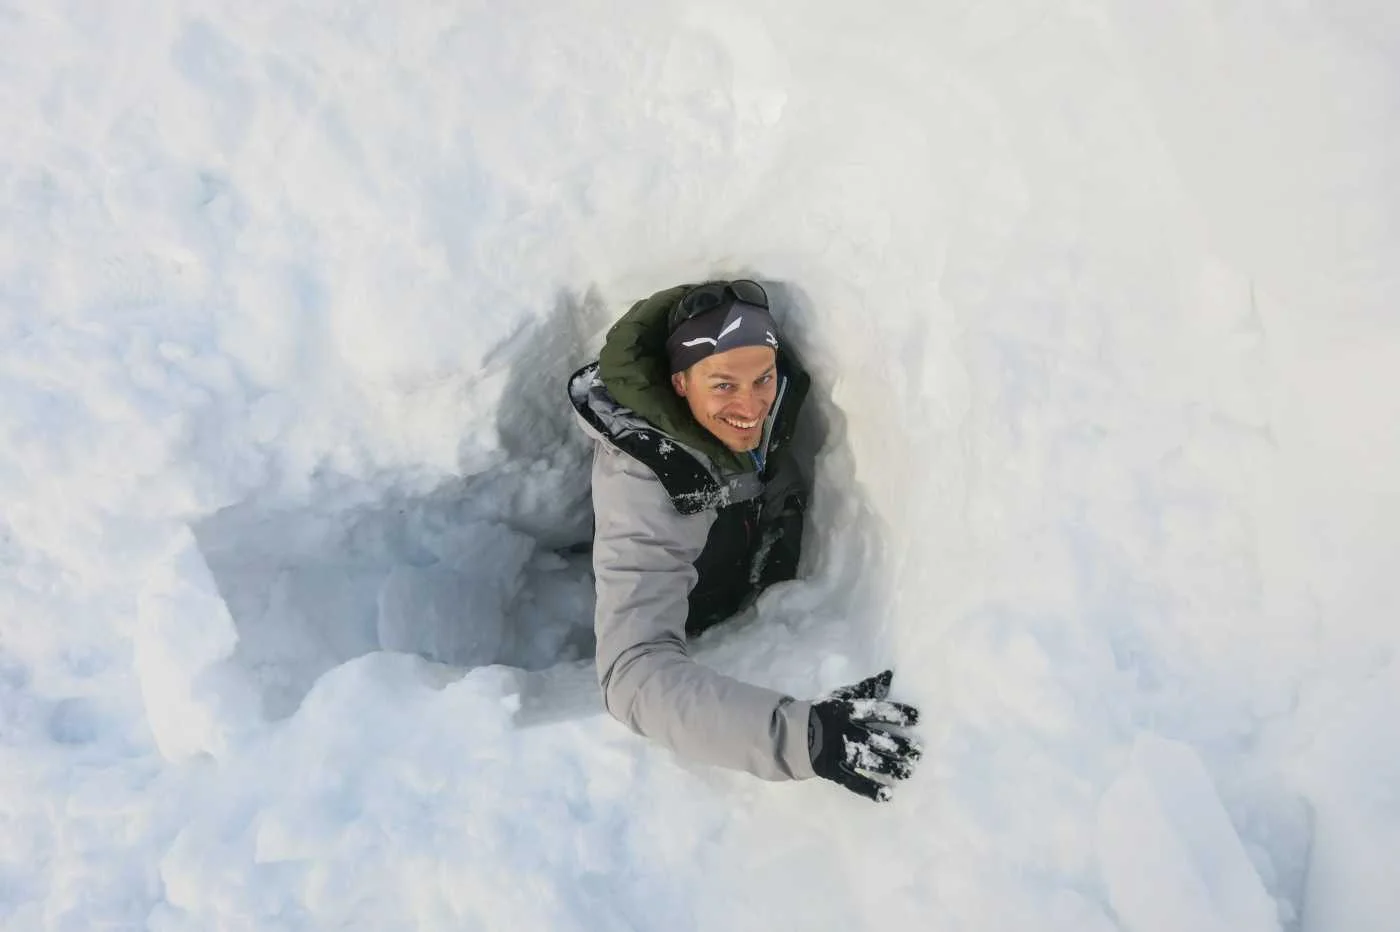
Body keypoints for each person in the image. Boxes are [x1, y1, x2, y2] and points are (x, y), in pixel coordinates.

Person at [567, 280, 923, 802]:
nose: (752, 404)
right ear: (680, 384)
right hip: (690, 610)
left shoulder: (773, 399)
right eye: (724, 385)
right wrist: (802, 738)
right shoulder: (641, 484)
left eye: (762, 378)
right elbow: (632, 675)